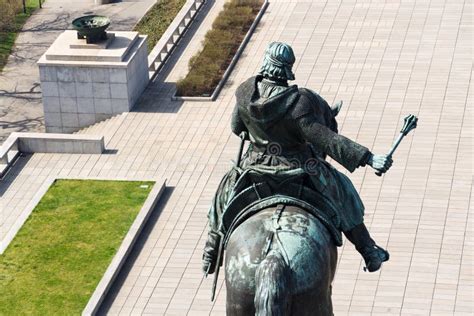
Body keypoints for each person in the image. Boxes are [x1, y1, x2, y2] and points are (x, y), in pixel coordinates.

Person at [203, 42, 391, 275]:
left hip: (256, 167)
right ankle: (367, 249)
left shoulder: (244, 92)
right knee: (343, 191)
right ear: (287, 68)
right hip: (298, 168)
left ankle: (212, 247)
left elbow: (236, 127)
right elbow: (325, 139)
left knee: (224, 192)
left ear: (266, 63)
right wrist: (369, 158)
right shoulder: (298, 102)